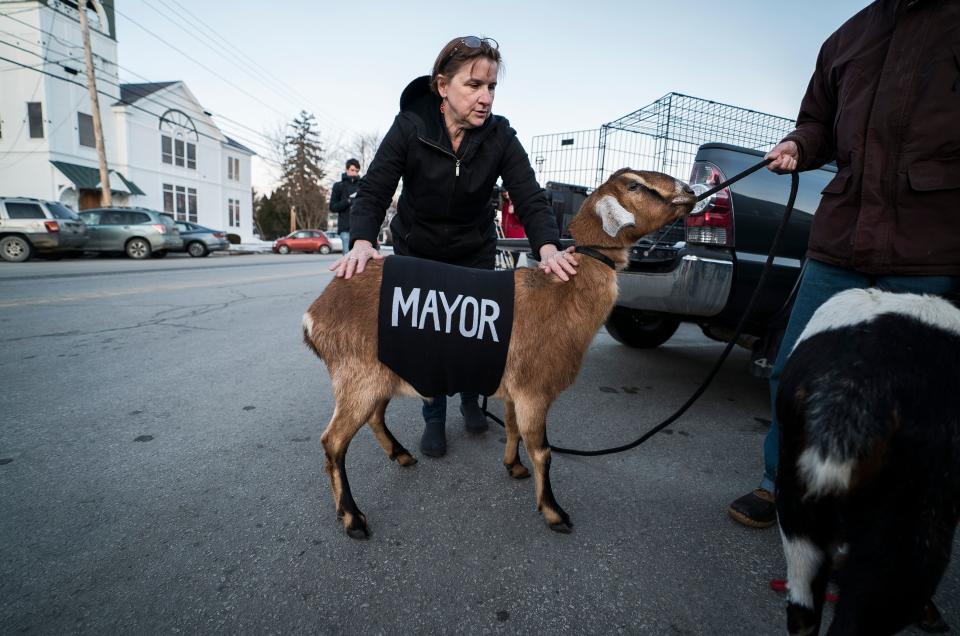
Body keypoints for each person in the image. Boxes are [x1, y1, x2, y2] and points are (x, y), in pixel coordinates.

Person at [728, 0, 960, 529]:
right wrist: (796, 143)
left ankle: (896, 525)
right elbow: (818, 125)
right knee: (795, 368)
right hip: (840, 240)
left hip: (930, 246)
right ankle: (780, 484)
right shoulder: (847, 38)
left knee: (912, 396)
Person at [329, 36, 579, 458]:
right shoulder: (411, 126)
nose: (485, 98)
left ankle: (470, 398)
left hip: (472, 249)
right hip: (417, 248)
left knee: (476, 333)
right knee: (427, 337)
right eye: (474, 85)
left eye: (492, 87)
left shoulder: (500, 136)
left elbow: (531, 196)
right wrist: (361, 241)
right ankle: (434, 416)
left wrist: (549, 246)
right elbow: (373, 191)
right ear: (443, 86)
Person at [329, 158, 361, 250]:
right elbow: (332, 207)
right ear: (347, 170)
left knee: (358, 257)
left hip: (359, 227)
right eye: (352, 170)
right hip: (345, 228)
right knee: (347, 255)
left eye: (357, 171)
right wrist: (348, 201)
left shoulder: (362, 185)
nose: (355, 173)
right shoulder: (338, 186)